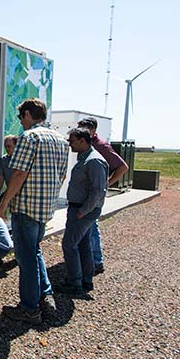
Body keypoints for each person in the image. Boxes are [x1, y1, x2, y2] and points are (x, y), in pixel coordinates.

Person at [0, 99, 69, 324]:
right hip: (46, 208)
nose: (20, 122)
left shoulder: (29, 138)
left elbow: (19, 174)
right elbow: (62, 176)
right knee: (34, 252)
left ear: (28, 114)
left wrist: (3, 203)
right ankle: (44, 296)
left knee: (26, 259)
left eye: (20, 117)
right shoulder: (61, 140)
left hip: (26, 208)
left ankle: (29, 309)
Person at [76, 117, 128, 275]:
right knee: (89, 226)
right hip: (86, 193)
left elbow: (122, 167)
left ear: (92, 131)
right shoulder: (87, 145)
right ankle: (89, 258)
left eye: (83, 130)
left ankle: (96, 261)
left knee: (92, 225)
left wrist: (107, 183)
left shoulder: (101, 146)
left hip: (94, 194)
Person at [60, 127, 109, 294]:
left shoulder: (93, 161)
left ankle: (75, 283)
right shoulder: (85, 159)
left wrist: (84, 211)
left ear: (82, 141)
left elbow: (98, 190)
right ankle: (86, 280)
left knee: (69, 244)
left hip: (82, 211)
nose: (70, 144)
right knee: (83, 244)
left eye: (72, 141)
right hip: (79, 209)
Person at [0, 135, 19, 208]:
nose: (7, 149)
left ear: (16, 146)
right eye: (5, 146)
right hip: (10, 191)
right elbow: (0, 177)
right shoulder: (4, 160)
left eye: (9, 146)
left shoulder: (23, 159)